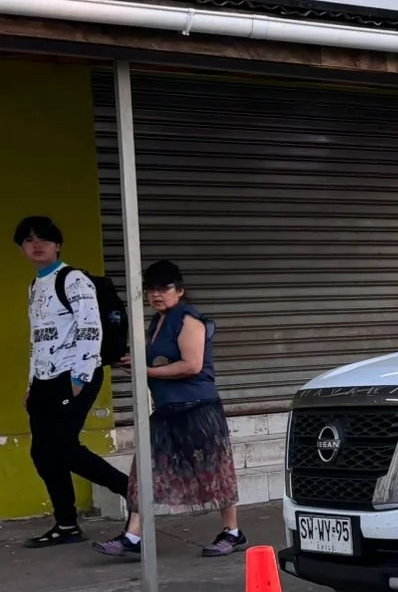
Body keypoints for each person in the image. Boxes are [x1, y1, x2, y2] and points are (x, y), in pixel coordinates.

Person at [94, 260, 245, 558]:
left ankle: (233, 532)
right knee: (144, 471)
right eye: (151, 289)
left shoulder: (189, 319)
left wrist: (146, 371)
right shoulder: (157, 322)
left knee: (214, 471)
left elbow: (192, 365)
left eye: (164, 288)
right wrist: (135, 364)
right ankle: (132, 537)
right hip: (166, 409)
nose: (156, 295)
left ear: (180, 290)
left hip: (198, 408)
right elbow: (158, 362)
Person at [15, 216, 130, 549]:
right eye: (28, 240)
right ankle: (66, 524)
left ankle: (129, 489)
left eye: (44, 239)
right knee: (42, 452)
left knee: (63, 446)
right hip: (44, 379)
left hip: (73, 375)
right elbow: (38, 339)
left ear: (57, 245)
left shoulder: (74, 279)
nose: (36, 245)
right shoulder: (35, 286)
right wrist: (31, 383)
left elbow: (90, 327)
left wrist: (80, 377)